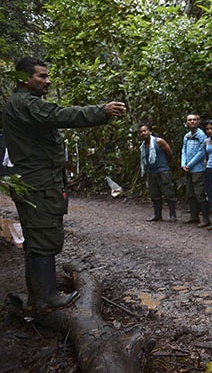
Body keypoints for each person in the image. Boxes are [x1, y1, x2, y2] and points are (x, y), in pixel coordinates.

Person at [3, 57, 126, 314]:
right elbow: (60, 115)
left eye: (47, 76)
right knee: (43, 237)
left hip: (38, 181)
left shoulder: (23, 103)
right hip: (39, 184)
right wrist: (100, 111)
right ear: (23, 79)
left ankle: (37, 299)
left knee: (38, 239)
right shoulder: (25, 103)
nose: (47, 81)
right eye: (41, 76)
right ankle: (46, 298)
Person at [138, 124, 177, 222]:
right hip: (151, 172)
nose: (143, 133)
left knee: (168, 193)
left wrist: (164, 164)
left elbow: (169, 153)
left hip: (163, 171)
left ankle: (172, 214)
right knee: (154, 194)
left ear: (149, 131)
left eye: (145, 131)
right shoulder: (142, 147)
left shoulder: (159, 141)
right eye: (141, 132)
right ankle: (157, 214)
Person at [181, 113, 210, 228]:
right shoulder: (186, 136)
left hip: (198, 169)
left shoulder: (201, 135)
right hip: (188, 169)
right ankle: (194, 216)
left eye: (194, 120)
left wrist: (190, 164)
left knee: (200, 193)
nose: (192, 122)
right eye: (189, 120)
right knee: (190, 193)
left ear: (198, 122)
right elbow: (183, 150)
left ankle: (206, 219)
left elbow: (201, 152)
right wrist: (183, 164)